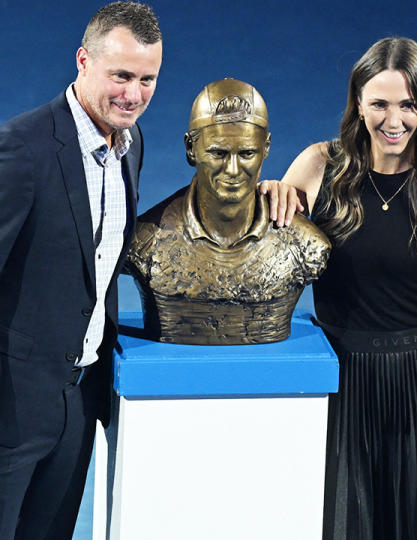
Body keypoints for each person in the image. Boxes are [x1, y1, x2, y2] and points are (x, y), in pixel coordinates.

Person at [260, 37, 417, 539]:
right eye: (380, 104)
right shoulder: (318, 167)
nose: (394, 120)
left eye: (408, 105)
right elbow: (268, 265)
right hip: (337, 379)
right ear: (358, 105)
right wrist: (269, 195)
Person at [0, 2, 162, 538]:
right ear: (82, 62)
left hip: (78, 401)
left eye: (147, 79)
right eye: (120, 75)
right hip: (11, 408)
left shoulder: (130, 146)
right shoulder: (21, 148)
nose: (133, 95)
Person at [127, 78, 331, 345]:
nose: (233, 170)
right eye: (218, 153)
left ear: (266, 148)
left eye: (246, 153)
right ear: (191, 149)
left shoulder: (306, 244)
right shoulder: (145, 240)